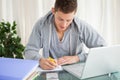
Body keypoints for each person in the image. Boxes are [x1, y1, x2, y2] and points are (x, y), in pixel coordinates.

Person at [24, 0, 106, 70]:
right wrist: (40, 60)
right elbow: (29, 51)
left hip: (77, 71)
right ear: (53, 11)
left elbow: (103, 49)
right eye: (60, 19)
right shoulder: (41, 25)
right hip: (51, 72)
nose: (64, 24)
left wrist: (77, 58)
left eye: (68, 20)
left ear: (74, 14)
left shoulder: (81, 26)